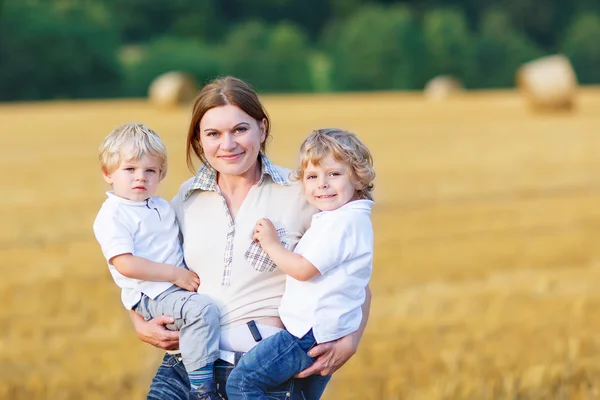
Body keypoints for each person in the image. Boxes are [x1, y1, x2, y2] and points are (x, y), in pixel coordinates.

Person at [127, 76, 372, 400]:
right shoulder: (187, 198)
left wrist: (351, 339)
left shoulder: (302, 192)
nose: (227, 145)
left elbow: (353, 277)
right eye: (213, 134)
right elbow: (141, 267)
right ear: (199, 140)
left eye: (240, 130)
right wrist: (137, 320)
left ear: (262, 129)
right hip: (184, 369)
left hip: (261, 375)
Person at [226, 128, 375, 399]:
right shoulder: (347, 218)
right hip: (324, 330)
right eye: (312, 176)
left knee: (242, 383)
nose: (323, 184)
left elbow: (303, 269)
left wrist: (271, 244)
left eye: (334, 174)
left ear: (358, 176)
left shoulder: (342, 223)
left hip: (306, 332)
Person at [92, 123, 222, 400]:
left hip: (170, 289)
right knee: (202, 311)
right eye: (130, 170)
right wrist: (174, 274)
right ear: (108, 174)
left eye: (150, 170)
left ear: (161, 174)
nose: (141, 177)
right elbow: (125, 264)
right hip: (153, 294)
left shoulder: (161, 205)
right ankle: (202, 390)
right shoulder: (113, 215)